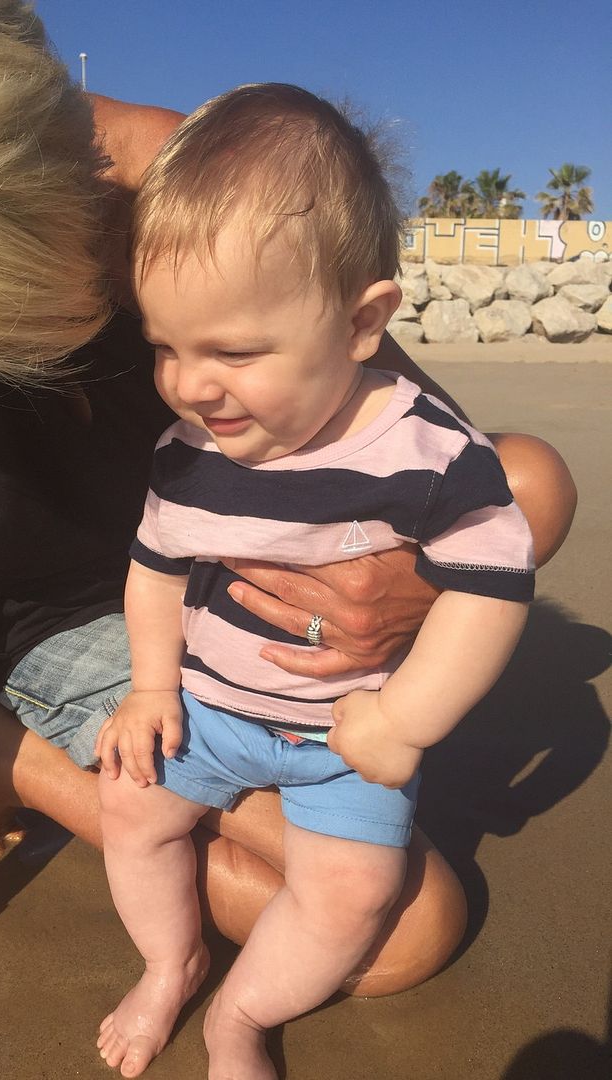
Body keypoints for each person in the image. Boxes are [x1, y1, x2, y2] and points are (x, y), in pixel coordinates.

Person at [0, 0, 576, 1052]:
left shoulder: (201, 181)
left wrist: (413, 586)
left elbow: (429, 441)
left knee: (536, 487)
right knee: (405, 931)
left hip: (236, 567)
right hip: (69, 616)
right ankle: (7, 751)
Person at [92, 84, 536, 1079]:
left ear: (362, 321)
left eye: (235, 352)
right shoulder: (188, 452)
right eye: (166, 347)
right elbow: (155, 572)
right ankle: (171, 963)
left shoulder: (425, 449)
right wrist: (153, 688)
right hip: (207, 707)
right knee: (130, 807)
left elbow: (494, 575)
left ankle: (240, 1016)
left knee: (355, 896)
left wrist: (407, 721)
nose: (192, 384)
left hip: (348, 741)